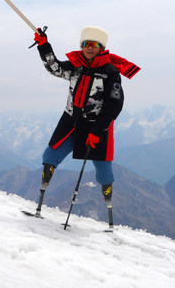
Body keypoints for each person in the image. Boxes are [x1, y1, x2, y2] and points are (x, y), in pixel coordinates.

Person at [32, 25, 140, 220]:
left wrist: (97, 131)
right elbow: (54, 68)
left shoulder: (111, 72)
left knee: (104, 170)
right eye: (86, 44)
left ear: (101, 47)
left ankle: (109, 214)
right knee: (50, 156)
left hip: (96, 126)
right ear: (81, 46)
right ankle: (39, 205)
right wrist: (44, 46)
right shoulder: (75, 66)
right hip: (70, 123)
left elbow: (114, 105)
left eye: (94, 44)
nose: (90, 47)